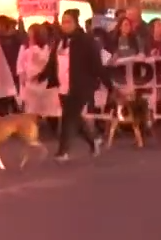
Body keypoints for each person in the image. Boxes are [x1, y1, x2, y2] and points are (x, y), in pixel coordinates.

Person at [37, 9, 117, 160]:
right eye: (63, 21)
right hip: (63, 86)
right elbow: (52, 62)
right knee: (75, 118)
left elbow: (97, 65)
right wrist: (42, 76)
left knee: (68, 118)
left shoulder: (86, 41)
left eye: (68, 22)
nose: (65, 25)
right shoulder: (60, 41)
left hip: (81, 86)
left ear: (75, 22)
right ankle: (93, 140)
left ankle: (62, 152)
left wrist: (109, 85)